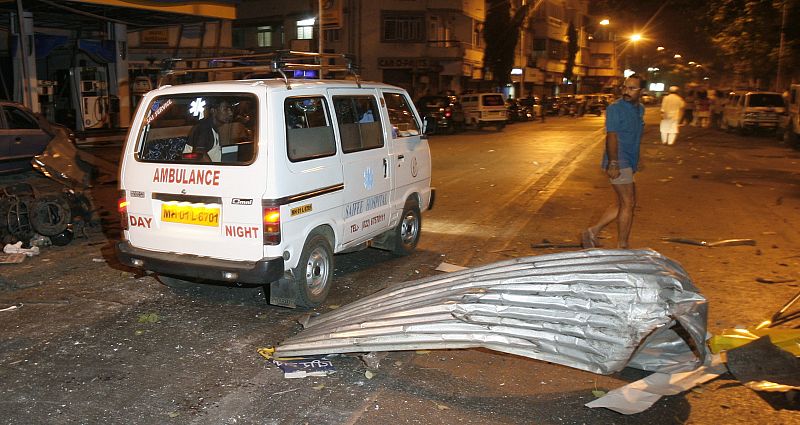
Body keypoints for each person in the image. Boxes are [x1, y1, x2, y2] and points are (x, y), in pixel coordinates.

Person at [581, 74, 645, 249]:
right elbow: (612, 136)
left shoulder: (640, 109)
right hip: (619, 158)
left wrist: (638, 159)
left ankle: (592, 232)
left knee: (623, 202)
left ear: (642, 91)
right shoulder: (615, 108)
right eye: (625, 87)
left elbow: (636, 135)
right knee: (628, 203)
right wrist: (614, 162)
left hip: (630, 160)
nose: (626, 91)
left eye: (632, 88)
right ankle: (622, 245)